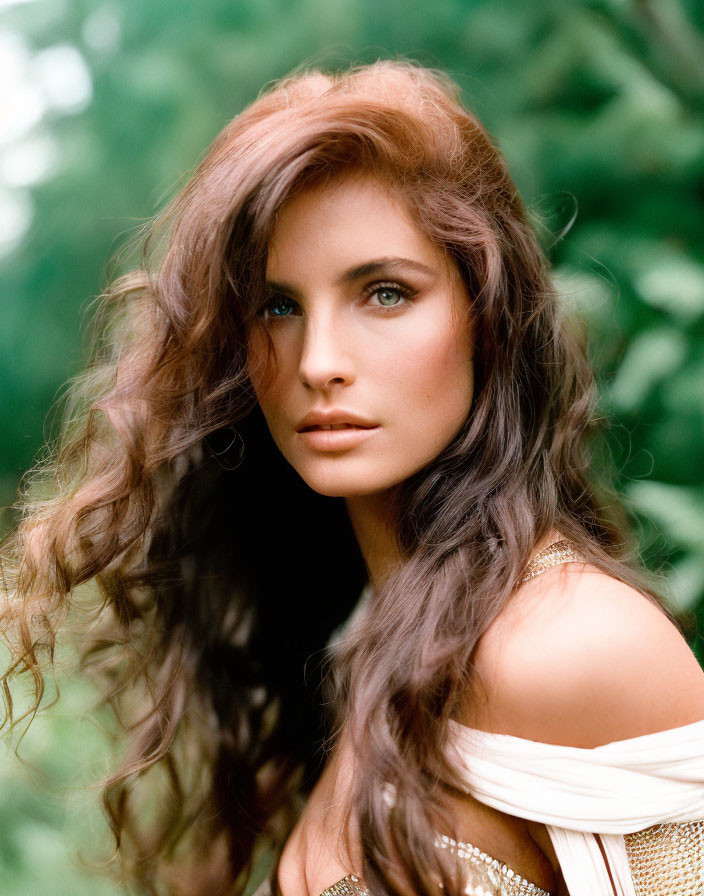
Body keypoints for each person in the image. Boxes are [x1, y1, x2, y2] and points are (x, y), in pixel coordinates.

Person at [1, 59, 703, 896]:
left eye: (384, 293)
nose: (319, 363)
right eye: (278, 306)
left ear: (486, 313)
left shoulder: (573, 646)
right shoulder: (365, 646)